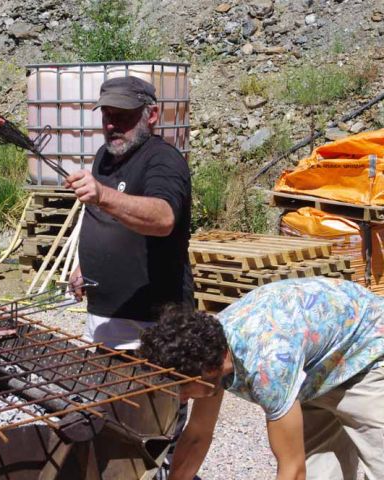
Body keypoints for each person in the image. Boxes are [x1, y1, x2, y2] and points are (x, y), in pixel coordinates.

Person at [139, 277, 384, 480]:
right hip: (314, 362)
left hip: (369, 351)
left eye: (182, 389)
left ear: (210, 369)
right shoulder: (209, 349)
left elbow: (291, 469)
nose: (180, 397)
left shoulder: (268, 368)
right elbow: (197, 436)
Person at [65, 75, 193, 350]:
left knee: (144, 394)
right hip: (103, 317)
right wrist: (84, 265)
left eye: (123, 116)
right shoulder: (104, 156)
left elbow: (164, 218)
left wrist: (102, 194)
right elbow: (100, 218)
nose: (112, 125)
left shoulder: (163, 159)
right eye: (107, 115)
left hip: (151, 326)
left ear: (152, 115)